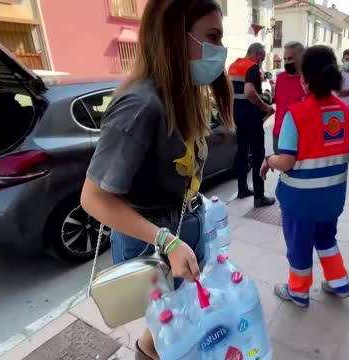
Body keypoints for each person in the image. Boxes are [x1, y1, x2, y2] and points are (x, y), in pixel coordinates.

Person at [79, 1, 233, 359]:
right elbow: (94, 198)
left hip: (182, 229)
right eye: (212, 37)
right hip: (152, 241)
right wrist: (167, 241)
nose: (220, 50)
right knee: (166, 328)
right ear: (176, 37)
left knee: (172, 322)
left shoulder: (183, 94)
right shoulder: (140, 105)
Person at [261, 45, 349, 307]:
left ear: (305, 78)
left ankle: (298, 291)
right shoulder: (343, 112)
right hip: (332, 197)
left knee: (299, 246)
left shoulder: (297, 114)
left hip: (302, 201)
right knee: (326, 238)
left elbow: (287, 161)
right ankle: (339, 282)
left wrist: (269, 160)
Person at [229, 43, 276, 207]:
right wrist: (266, 107)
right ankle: (259, 197)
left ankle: (242, 189)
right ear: (257, 53)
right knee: (257, 156)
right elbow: (250, 92)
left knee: (242, 152)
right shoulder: (252, 68)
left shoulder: (234, 66)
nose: (261, 62)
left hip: (238, 117)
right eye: (262, 58)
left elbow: (231, 93)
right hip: (252, 118)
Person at [273, 41, 306, 154]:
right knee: (282, 170)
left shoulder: (308, 82)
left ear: (301, 58)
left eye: (290, 58)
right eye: (285, 59)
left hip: (299, 136)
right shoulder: (280, 78)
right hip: (278, 134)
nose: (287, 62)